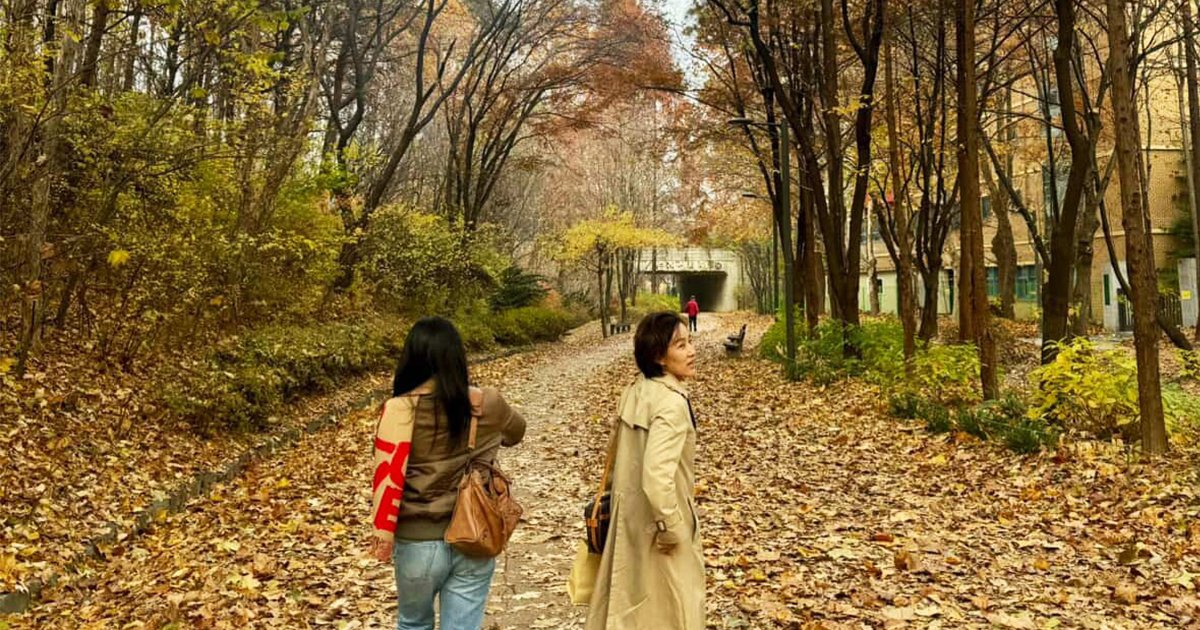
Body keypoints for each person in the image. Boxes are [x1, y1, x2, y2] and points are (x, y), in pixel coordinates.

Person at [369, 316, 526, 630]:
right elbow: (516, 432)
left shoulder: (399, 410)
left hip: (417, 543)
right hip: (475, 535)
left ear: (411, 360)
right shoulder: (486, 403)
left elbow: (387, 474)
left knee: (413, 624)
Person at [586, 312, 704, 630]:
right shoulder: (672, 403)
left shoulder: (636, 391)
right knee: (673, 612)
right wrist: (671, 528)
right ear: (658, 356)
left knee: (629, 610)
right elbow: (656, 477)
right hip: (660, 528)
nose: (692, 351)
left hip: (629, 520)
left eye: (690, 342)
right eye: (680, 345)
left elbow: (615, 456)